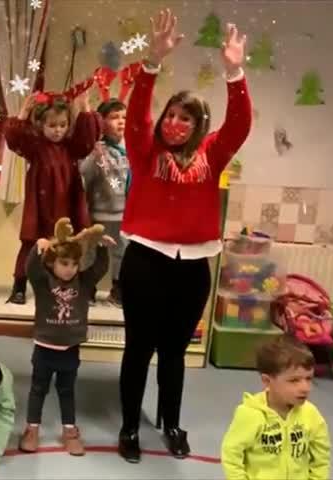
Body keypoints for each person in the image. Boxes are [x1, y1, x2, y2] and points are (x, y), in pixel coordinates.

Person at [117, 9, 251, 463]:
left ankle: (171, 424)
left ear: (199, 127)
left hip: (193, 268)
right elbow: (137, 116)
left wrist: (235, 73)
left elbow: (239, 126)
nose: (174, 123)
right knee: (138, 350)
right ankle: (129, 428)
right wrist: (152, 63)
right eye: (170, 115)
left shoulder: (211, 155)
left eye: (185, 118)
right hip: (145, 262)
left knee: (174, 352)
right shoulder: (144, 150)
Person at [19, 220, 112, 456]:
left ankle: (69, 430)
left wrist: (101, 246)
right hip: (44, 347)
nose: (70, 269)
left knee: (66, 390)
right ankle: (32, 429)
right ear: (53, 262)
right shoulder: (43, 282)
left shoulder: (83, 282)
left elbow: (99, 269)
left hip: (70, 349)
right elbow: (31, 269)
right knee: (38, 389)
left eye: (74, 264)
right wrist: (37, 248)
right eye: (64, 263)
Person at [4, 89, 102, 304]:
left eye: (63, 125)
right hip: (41, 205)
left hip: (67, 203)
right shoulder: (35, 146)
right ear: (41, 125)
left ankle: (66, 287)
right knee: (31, 244)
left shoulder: (71, 147)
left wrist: (85, 109)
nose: (58, 130)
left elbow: (88, 141)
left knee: (68, 246)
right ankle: (19, 286)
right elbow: (14, 139)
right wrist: (23, 114)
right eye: (52, 125)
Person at [221, 336, 331, 479]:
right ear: (267, 381)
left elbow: (321, 458)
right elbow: (231, 454)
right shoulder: (250, 414)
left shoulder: (311, 414)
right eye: (294, 380)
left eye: (308, 378)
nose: (305, 388)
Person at [80, 98, 129, 306]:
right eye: (114, 117)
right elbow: (84, 174)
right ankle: (87, 288)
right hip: (100, 213)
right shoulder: (96, 149)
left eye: (124, 117)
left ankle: (117, 290)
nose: (121, 121)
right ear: (101, 122)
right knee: (94, 253)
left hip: (124, 214)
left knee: (122, 252)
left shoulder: (129, 149)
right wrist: (94, 156)